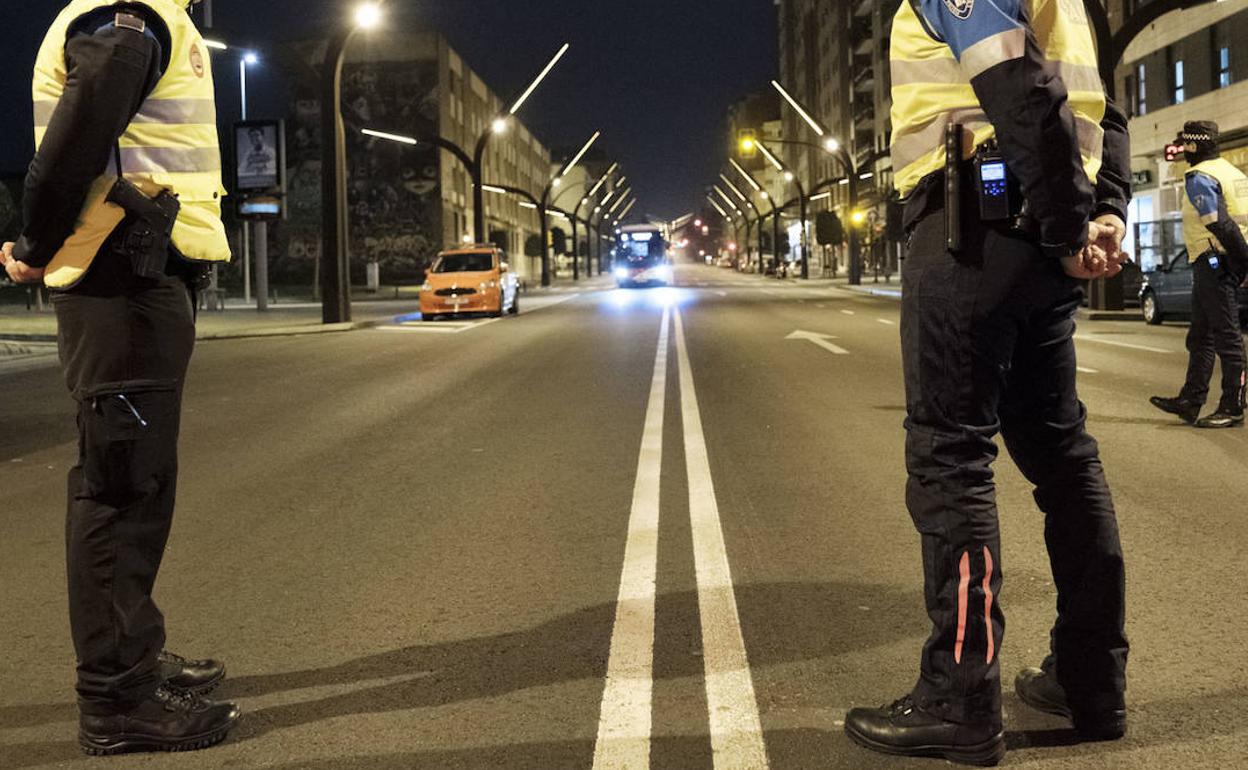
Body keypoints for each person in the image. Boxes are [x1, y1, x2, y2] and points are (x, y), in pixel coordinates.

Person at [843, 0, 1132, 765]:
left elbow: (1017, 83)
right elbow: (1104, 108)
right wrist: (1103, 210)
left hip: (972, 227)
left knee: (950, 459)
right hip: (1036, 236)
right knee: (1064, 459)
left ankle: (960, 696)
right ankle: (1091, 679)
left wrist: (1068, 225)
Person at [1, 0, 239, 755]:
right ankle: (117, 699)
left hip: (138, 272)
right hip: (119, 277)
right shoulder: (126, 16)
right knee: (121, 486)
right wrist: (34, 244)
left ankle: (133, 656)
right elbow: (76, 138)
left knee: (141, 481)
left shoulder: (152, 14)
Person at [1150, 121, 1248, 429]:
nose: (1182, 152)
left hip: (1215, 260)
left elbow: (1219, 223)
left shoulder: (1199, 176)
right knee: (1201, 335)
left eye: (1185, 146)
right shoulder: (1232, 172)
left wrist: (1243, 262)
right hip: (1218, 259)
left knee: (1227, 337)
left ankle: (1233, 406)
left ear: (1193, 146)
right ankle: (1190, 399)